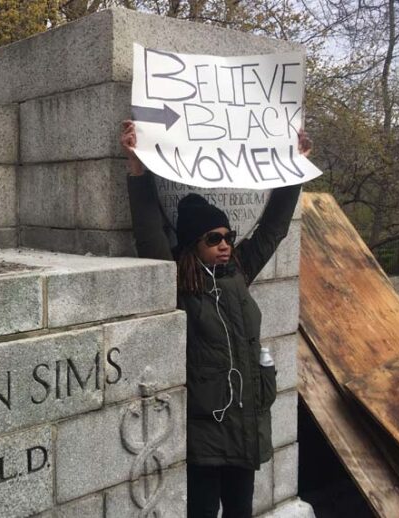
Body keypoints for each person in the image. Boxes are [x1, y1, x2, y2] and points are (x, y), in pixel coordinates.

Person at [120, 120, 311, 518]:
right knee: (203, 512)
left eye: (227, 235)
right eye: (214, 238)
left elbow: (273, 229)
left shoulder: (239, 271)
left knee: (241, 511)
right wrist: (137, 167)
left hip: (245, 420)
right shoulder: (180, 282)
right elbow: (148, 230)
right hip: (207, 426)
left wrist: (295, 168)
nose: (225, 244)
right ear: (194, 243)